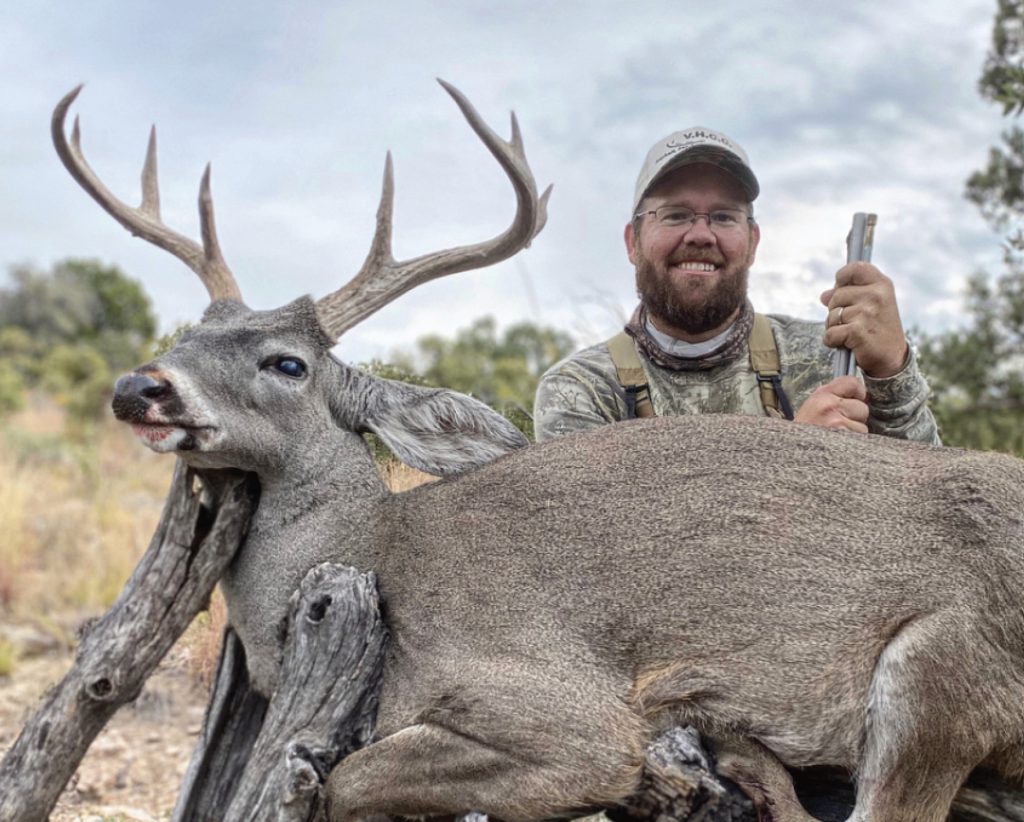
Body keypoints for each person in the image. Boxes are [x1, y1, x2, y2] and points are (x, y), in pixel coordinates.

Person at [534, 127, 940, 445]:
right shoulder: (581, 390)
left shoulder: (826, 360)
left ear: (753, 244)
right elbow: (599, 540)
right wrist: (797, 453)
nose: (701, 235)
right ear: (632, 243)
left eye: (724, 217)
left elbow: (925, 506)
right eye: (675, 215)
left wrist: (892, 372)